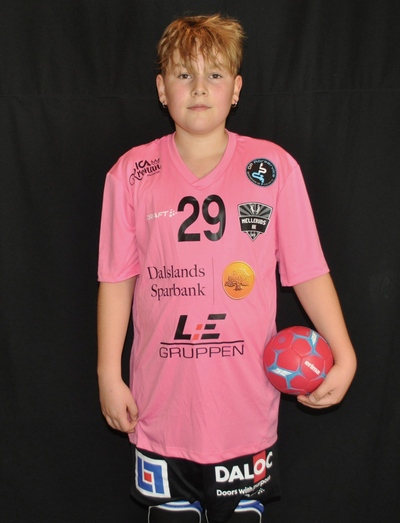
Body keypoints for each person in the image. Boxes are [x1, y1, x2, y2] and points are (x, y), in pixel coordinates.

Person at [97, 13, 356, 523]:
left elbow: (307, 269)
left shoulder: (273, 168)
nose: (199, 88)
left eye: (214, 74)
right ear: (161, 88)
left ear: (236, 89)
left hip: (244, 408)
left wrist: (344, 355)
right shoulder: (131, 173)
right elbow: (116, 279)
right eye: (184, 74)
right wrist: (109, 371)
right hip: (161, 406)